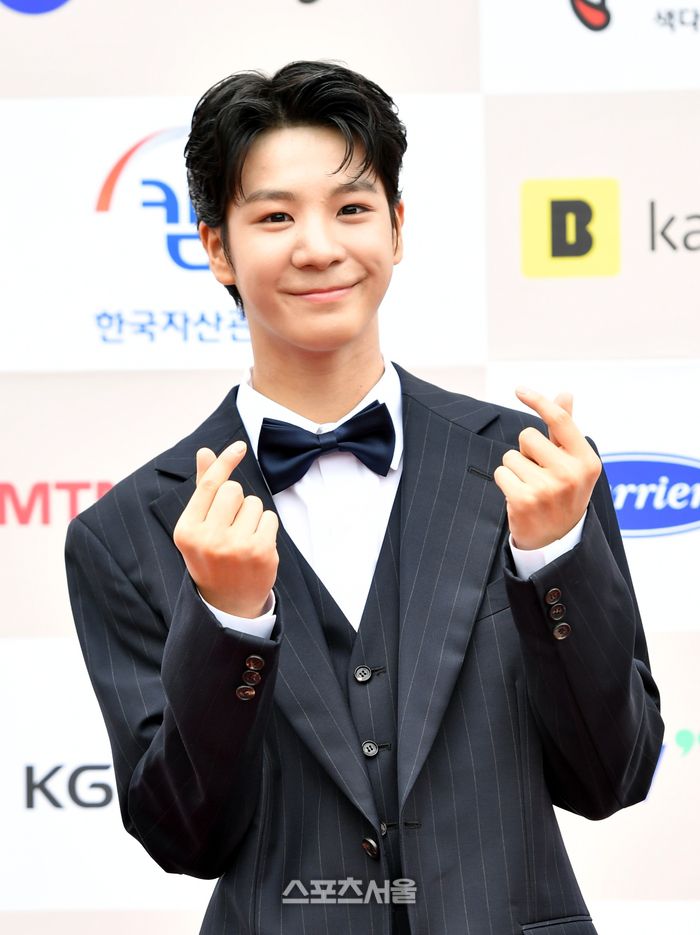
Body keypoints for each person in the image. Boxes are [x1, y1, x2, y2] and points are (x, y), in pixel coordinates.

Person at [65, 61, 663, 935]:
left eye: (351, 208)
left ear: (397, 225)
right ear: (217, 247)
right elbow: (183, 835)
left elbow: (614, 774)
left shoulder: (538, 471)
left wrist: (550, 558)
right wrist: (229, 625)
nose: (318, 246)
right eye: (275, 216)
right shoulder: (131, 531)